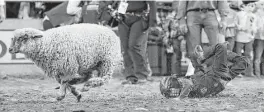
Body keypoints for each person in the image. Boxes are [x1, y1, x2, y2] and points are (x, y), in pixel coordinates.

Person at [160, 42, 250, 100]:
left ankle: (225, 54)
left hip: (219, 82)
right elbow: (189, 84)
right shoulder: (184, 85)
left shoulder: (188, 88)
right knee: (220, 47)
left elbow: (197, 75)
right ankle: (223, 53)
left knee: (245, 61)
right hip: (216, 77)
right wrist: (180, 99)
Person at [103, 1, 157, 84]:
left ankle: (142, 75)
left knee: (134, 46)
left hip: (140, 17)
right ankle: (130, 76)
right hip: (123, 18)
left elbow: (152, 3)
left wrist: (153, 23)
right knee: (125, 48)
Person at [176, 1, 229, 75]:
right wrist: (181, 20)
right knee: (194, 46)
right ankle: (198, 72)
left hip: (210, 13)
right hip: (192, 13)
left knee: (216, 44)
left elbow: (222, 1)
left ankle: (218, 72)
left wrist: (224, 18)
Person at [234, 1, 258, 77]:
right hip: (240, 37)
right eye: (249, 6)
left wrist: (254, 30)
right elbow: (235, 24)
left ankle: (249, 72)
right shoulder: (239, 14)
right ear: (244, 6)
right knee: (238, 55)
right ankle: (238, 72)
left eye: (252, 6)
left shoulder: (254, 16)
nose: (251, 8)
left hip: (249, 37)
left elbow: (255, 25)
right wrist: (241, 28)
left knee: (248, 55)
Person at [253, 1, 264, 78]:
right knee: (258, 57)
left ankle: (262, 74)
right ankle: (257, 74)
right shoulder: (255, 15)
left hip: (260, 37)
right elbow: (254, 27)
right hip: (259, 38)